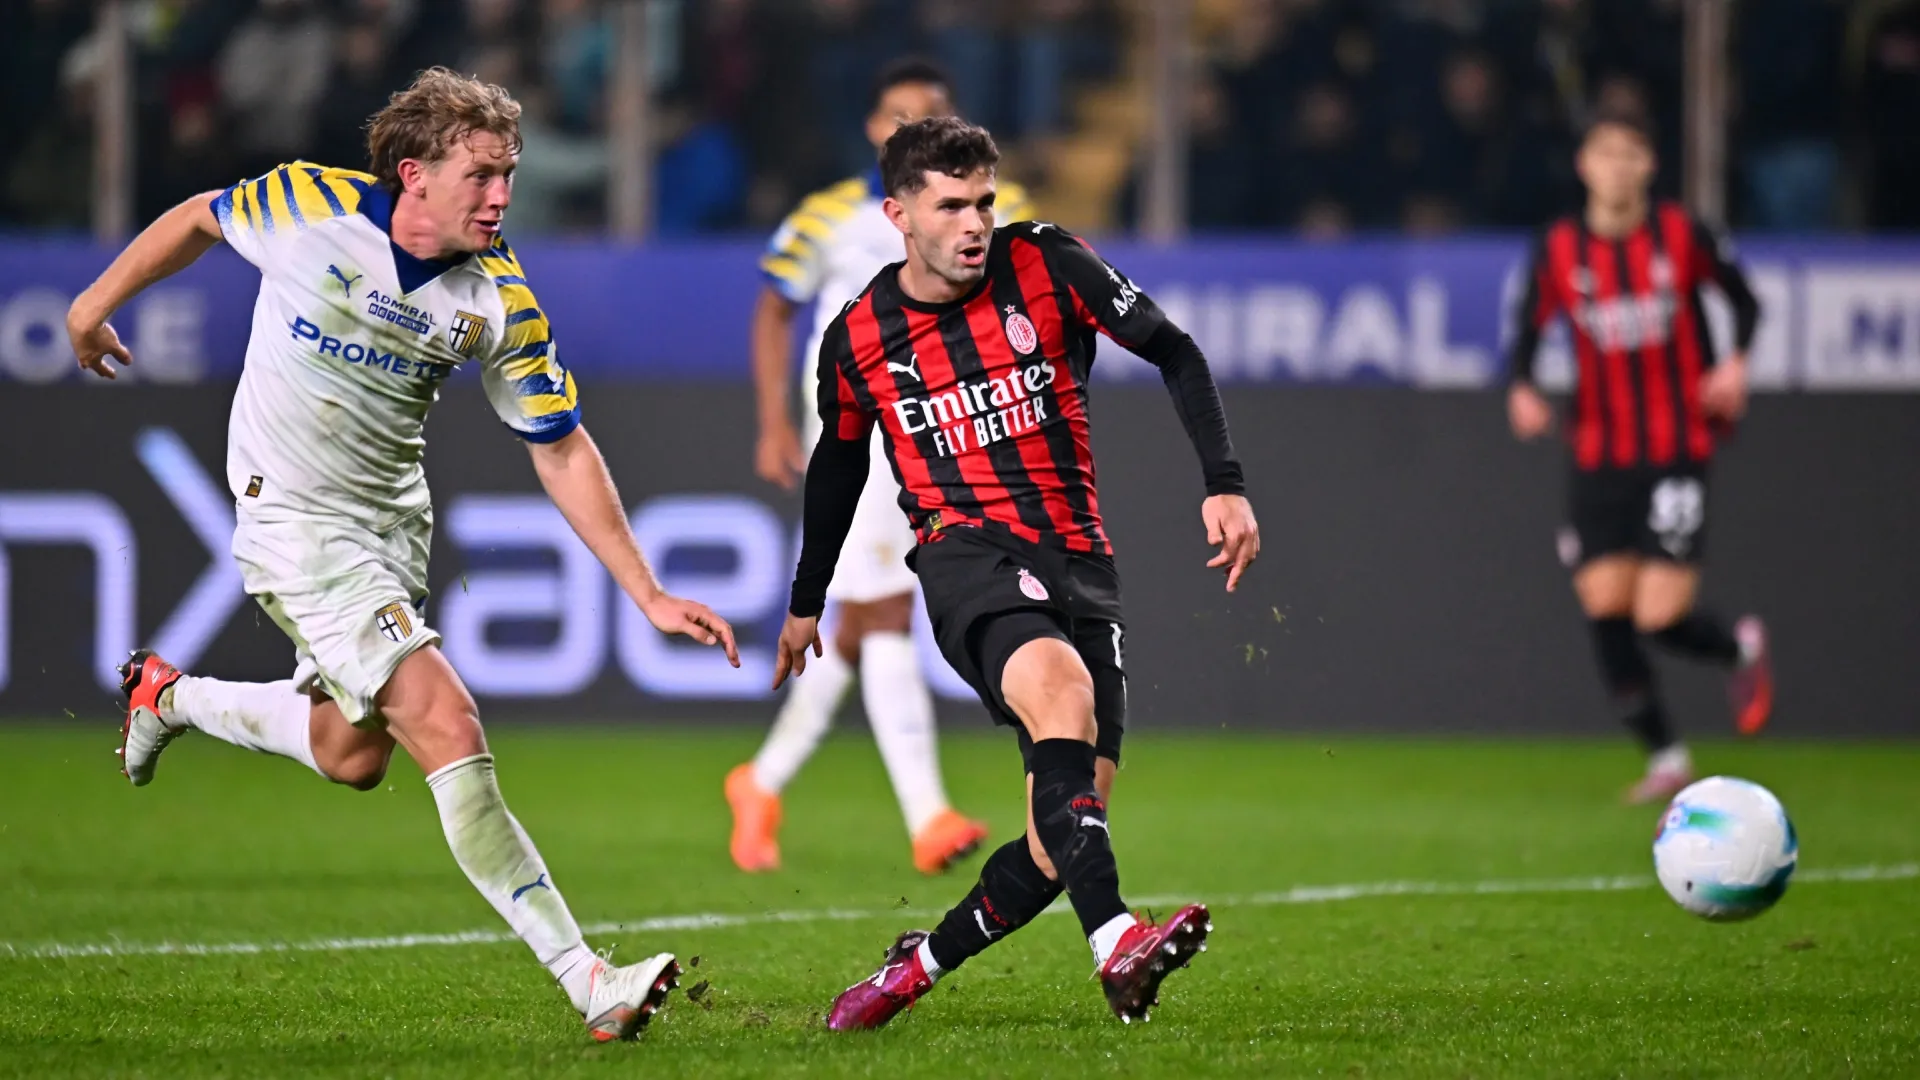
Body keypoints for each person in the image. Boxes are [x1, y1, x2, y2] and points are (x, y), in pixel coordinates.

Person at [65, 68, 739, 1042]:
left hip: (391, 526)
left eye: (510, 174)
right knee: (443, 713)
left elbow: (559, 446)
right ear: (414, 174)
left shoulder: (500, 298)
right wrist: (92, 305)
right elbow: (201, 218)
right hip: (292, 517)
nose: (503, 196)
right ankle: (590, 975)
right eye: (483, 176)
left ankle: (165, 697)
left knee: (351, 755)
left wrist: (646, 591)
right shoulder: (308, 206)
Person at [770, 117, 1260, 1027]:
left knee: (1060, 836)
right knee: (1060, 693)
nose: (974, 223)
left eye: (984, 201)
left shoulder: (1050, 264)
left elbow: (1175, 350)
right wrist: (808, 602)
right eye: (950, 205)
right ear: (899, 213)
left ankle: (911, 969)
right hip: (967, 558)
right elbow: (836, 469)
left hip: (1079, 559)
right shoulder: (861, 337)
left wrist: (1223, 485)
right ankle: (1116, 941)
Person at [730, 59, 1033, 876]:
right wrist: (772, 422)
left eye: (929, 114)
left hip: (945, 423)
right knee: (884, 608)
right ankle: (928, 816)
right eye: (899, 115)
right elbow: (773, 306)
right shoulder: (826, 217)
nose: (911, 127)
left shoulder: (993, 212)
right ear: (873, 129)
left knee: (862, 620)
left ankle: (760, 781)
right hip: (858, 420)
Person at [1506, 107, 1774, 805]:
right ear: (1585, 167)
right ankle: (1667, 756)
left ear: (1649, 166)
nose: (1618, 166)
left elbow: (1745, 301)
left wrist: (1736, 365)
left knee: (1658, 616)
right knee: (1604, 604)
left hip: (1677, 446)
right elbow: (1527, 329)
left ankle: (1737, 648)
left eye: (1632, 153)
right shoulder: (1561, 248)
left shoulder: (1683, 235)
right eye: (1605, 153)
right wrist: (1524, 389)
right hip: (1598, 451)